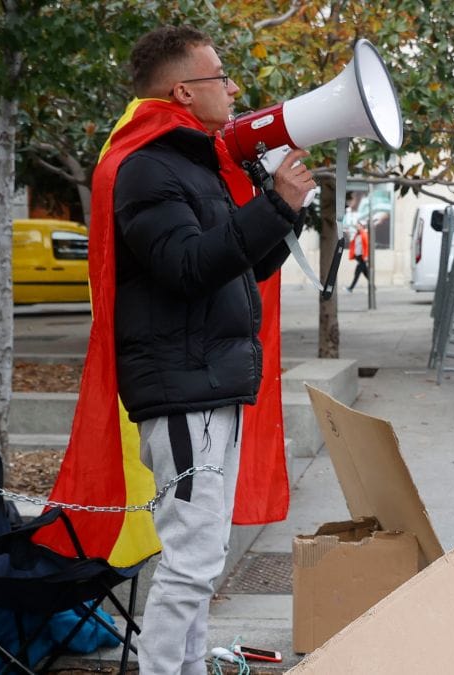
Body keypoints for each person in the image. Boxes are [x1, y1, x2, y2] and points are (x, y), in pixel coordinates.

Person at [109, 25, 313, 675]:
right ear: (183, 90)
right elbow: (188, 265)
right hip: (182, 384)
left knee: (201, 556)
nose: (232, 87)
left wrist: (283, 210)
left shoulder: (193, 165)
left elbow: (240, 267)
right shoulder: (146, 167)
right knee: (192, 561)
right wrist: (270, 205)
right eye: (220, 76)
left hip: (206, 381)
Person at [347, 222, 370, 293]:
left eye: (358, 226)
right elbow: (352, 243)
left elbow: (366, 246)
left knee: (357, 273)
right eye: (356, 226)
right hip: (358, 257)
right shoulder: (357, 235)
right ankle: (373, 286)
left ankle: (351, 288)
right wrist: (348, 234)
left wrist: (366, 256)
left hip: (362, 258)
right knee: (366, 274)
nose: (357, 227)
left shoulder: (364, 234)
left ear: (362, 226)